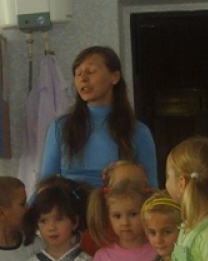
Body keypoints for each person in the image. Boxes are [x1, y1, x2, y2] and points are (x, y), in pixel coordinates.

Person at [39, 46, 157, 189]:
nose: (83, 79)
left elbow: (151, 188)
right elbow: (45, 187)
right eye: (78, 74)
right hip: (70, 203)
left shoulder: (138, 131)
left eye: (91, 71)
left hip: (116, 202)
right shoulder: (60, 127)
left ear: (115, 77)